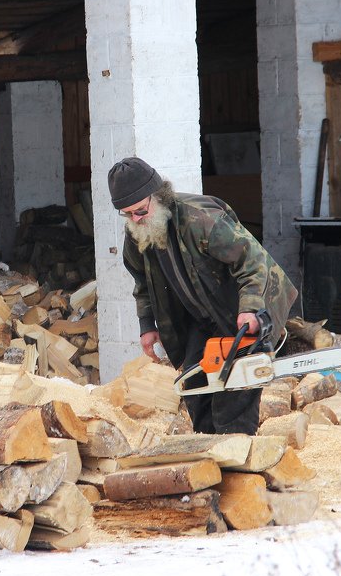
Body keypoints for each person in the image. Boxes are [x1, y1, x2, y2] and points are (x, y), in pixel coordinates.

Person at [107, 157, 299, 435]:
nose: (135, 219)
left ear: (158, 196)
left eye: (140, 210)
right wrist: (147, 326)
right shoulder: (137, 232)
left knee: (233, 399)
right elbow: (142, 283)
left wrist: (250, 308)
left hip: (240, 311)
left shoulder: (201, 218)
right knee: (196, 390)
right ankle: (210, 458)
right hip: (199, 319)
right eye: (127, 214)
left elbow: (253, 262)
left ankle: (238, 459)